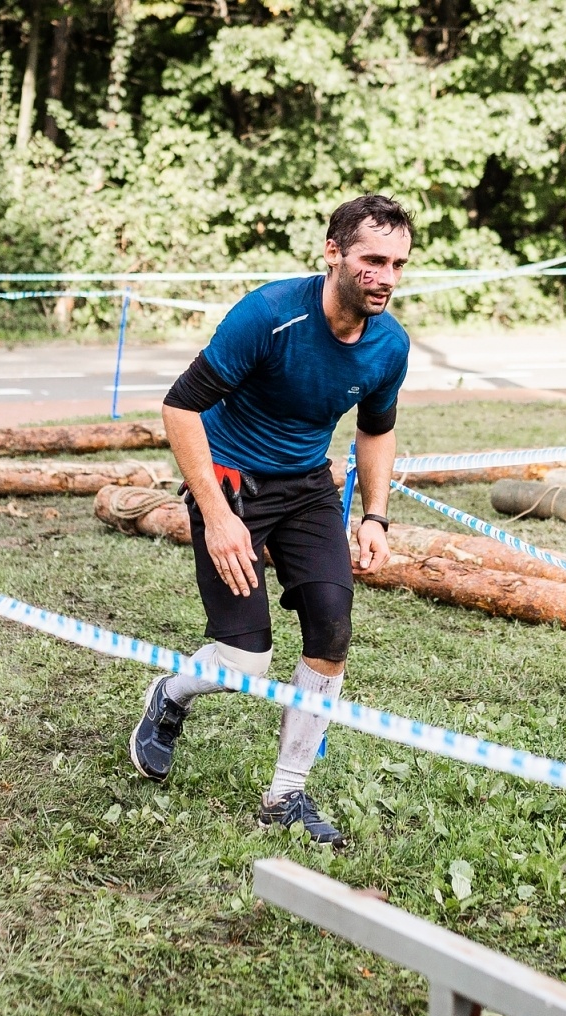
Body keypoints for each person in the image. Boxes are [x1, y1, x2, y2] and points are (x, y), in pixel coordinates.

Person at [129, 194, 414, 848]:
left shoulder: (389, 345)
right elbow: (180, 408)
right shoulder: (268, 315)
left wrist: (376, 516)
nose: (387, 277)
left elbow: (377, 429)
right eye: (373, 260)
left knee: (332, 626)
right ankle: (171, 694)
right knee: (245, 659)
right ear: (334, 253)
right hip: (231, 484)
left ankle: (285, 793)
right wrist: (217, 513)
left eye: (398, 264)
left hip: (308, 488)